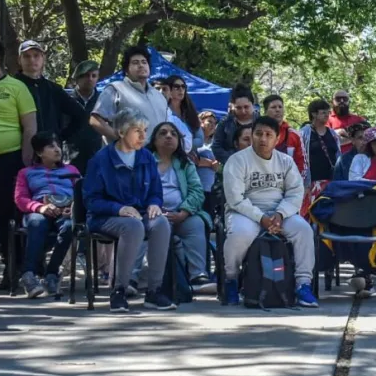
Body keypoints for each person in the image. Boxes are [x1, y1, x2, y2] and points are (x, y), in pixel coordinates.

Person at [83, 109, 174, 313]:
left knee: (161, 224)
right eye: (137, 131)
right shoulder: (101, 159)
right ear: (122, 132)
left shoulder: (146, 157)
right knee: (133, 227)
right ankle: (119, 291)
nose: (143, 136)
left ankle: (154, 291)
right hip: (105, 216)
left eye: (145, 130)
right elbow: (91, 200)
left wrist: (154, 204)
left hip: (138, 213)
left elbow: (155, 192)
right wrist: (119, 208)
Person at [222, 116, 317, 307]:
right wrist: (262, 218)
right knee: (241, 233)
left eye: (268, 135)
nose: (263, 139)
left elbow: (295, 193)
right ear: (252, 135)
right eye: (258, 134)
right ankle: (231, 279)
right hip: (245, 211)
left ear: (277, 138)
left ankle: (303, 284)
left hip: (279, 212)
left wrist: (280, 214)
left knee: (304, 230)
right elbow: (236, 199)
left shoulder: (286, 162)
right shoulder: (237, 161)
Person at [0, 36, 37, 289]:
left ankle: (12, 270)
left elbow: (30, 126)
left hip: (8, 161)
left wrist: (25, 159)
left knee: (7, 217)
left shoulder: (17, 87)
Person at [147, 122, 217, 295]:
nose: (169, 136)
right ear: (154, 140)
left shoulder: (186, 164)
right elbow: (138, 191)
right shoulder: (145, 162)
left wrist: (184, 212)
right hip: (152, 214)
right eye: (163, 133)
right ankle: (133, 279)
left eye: (173, 134)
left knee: (196, 224)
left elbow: (197, 192)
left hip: (181, 214)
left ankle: (197, 277)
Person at [14, 133, 81, 299]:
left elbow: (83, 194)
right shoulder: (26, 173)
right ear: (39, 152)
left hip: (66, 211)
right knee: (37, 223)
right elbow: (20, 198)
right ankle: (28, 275)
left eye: (57, 145)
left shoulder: (71, 170)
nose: (57, 149)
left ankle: (51, 274)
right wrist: (39, 208)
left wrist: (74, 208)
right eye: (51, 146)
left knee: (69, 226)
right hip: (39, 211)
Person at [14, 40, 86, 151]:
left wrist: (59, 137)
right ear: (19, 60)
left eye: (36, 55)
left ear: (43, 58)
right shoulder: (11, 87)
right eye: (26, 56)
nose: (32, 59)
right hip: (18, 151)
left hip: (50, 155)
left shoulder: (54, 89)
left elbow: (81, 115)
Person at [91, 46, 169, 144]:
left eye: (144, 62)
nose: (141, 65)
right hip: (125, 155)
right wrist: (120, 140)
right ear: (126, 70)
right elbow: (95, 120)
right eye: (135, 62)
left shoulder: (159, 95)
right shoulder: (115, 89)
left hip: (155, 156)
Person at [300, 98, 341, 210]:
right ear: (314, 114)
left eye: (328, 112)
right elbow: (301, 159)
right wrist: (305, 184)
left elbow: (338, 156)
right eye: (323, 112)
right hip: (311, 184)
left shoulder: (332, 133)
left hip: (331, 183)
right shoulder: (304, 133)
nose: (327, 115)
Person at [66, 60, 103, 176]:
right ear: (77, 78)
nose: (90, 79)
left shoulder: (103, 100)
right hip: (70, 155)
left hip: (97, 155)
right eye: (86, 75)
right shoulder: (66, 99)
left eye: (94, 76)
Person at [212, 84, 256, 164]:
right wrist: (235, 159)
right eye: (239, 108)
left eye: (246, 107)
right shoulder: (224, 123)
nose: (243, 111)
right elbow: (216, 147)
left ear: (253, 105)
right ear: (232, 107)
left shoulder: (261, 122)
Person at [163, 75, 203, 155]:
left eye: (183, 86)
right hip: (169, 153)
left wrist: (185, 146)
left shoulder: (189, 111)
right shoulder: (164, 110)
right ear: (168, 89)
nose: (181, 89)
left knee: (207, 154)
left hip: (190, 153)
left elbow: (200, 140)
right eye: (176, 87)